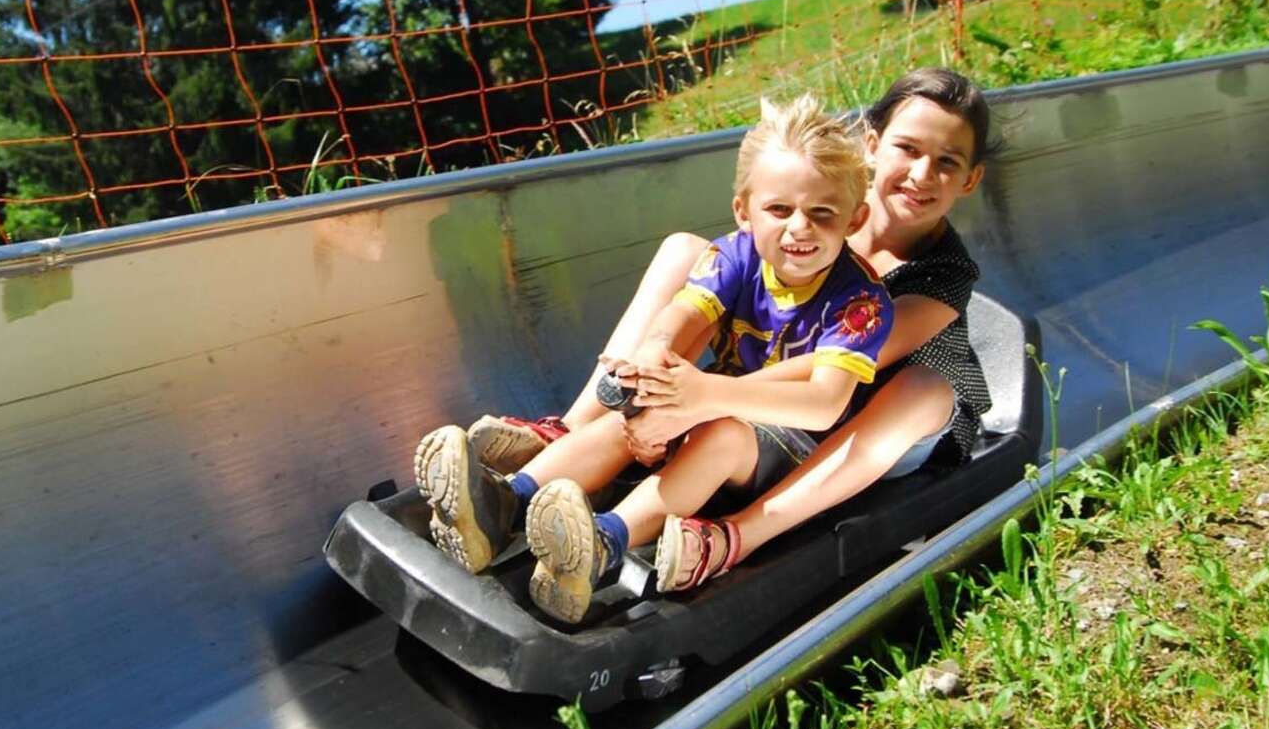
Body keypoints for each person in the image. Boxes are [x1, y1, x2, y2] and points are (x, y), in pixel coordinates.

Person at [467, 67, 999, 592]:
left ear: (970, 179)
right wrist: (657, 373)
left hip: (874, 416)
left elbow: (830, 376)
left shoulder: (942, 272)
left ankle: (742, 534)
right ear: (873, 146)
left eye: (947, 162)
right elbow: (718, 285)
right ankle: (577, 424)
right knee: (685, 250)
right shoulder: (814, 215)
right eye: (908, 149)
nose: (923, 174)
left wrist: (700, 398)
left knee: (925, 389)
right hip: (761, 387)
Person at [413, 93, 893, 624]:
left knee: (722, 434)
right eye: (779, 210)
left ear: (855, 219)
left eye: (822, 213)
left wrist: (702, 397)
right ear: (744, 212)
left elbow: (825, 404)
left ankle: (601, 543)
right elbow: (682, 317)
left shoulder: (860, 301)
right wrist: (649, 372)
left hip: (792, 448)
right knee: (629, 420)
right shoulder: (734, 255)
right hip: (713, 404)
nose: (799, 228)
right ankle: (503, 503)